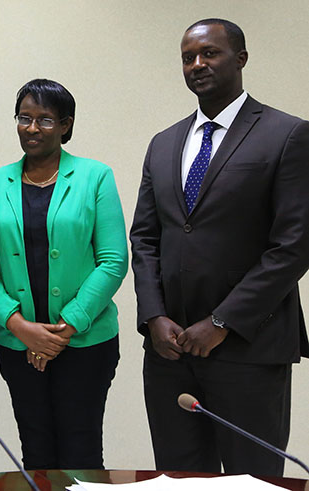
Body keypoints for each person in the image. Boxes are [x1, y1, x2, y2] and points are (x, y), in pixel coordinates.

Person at [130, 18, 309, 476]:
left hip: (248, 348)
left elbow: (292, 246)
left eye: (209, 53)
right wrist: (153, 316)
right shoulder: (164, 143)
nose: (197, 64)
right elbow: (145, 238)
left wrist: (222, 321)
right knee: (178, 479)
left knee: (254, 481)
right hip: (170, 351)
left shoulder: (287, 135)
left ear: (241, 59)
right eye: (188, 57)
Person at [0, 79, 127, 470]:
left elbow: (114, 260)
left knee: (81, 451)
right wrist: (18, 325)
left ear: (66, 124)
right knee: (36, 451)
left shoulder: (95, 176)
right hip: (17, 345)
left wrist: (67, 325)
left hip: (85, 342)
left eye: (45, 120)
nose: (32, 128)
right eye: (24, 118)